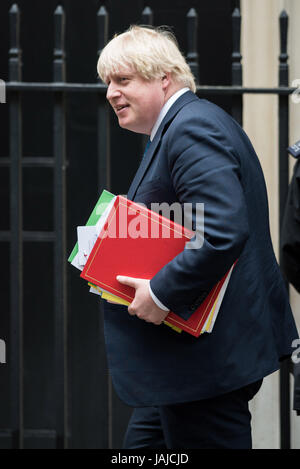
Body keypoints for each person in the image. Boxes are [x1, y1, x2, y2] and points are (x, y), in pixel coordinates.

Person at [96, 25, 299, 449]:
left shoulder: (190, 128)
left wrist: (161, 292)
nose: (112, 93)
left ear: (163, 78)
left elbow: (222, 229)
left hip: (204, 362)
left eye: (123, 80)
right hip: (185, 361)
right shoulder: (182, 127)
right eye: (108, 83)